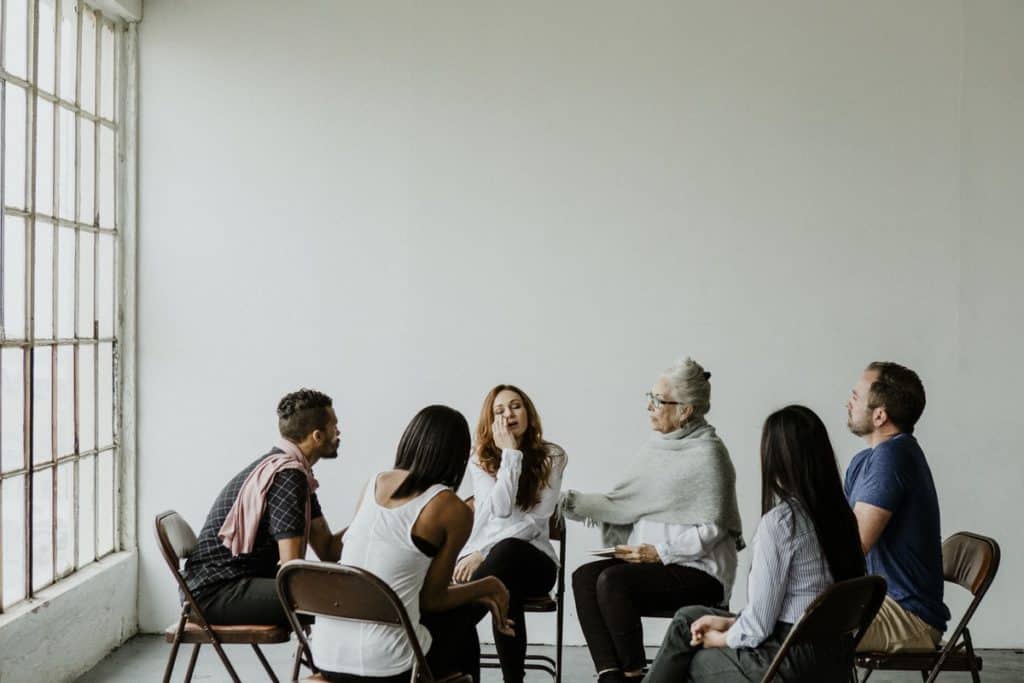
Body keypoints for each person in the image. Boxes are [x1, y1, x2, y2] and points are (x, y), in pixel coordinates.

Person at [645, 405, 867, 682]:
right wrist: (732, 622)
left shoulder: (782, 523)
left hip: (790, 660)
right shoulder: (841, 516)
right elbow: (785, 610)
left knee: (695, 658)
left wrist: (719, 639)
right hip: (833, 657)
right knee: (687, 619)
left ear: (776, 458)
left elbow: (759, 627)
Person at [565, 357, 744, 683]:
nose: (649, 407)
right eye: (648, 397)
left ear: (685, 410)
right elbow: (622, 503)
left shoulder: (710, 453)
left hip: (700, 572)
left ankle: (634, 674)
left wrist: (658, 553)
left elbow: (714, 529)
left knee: (613, 582)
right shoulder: (656, 448)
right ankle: (610, 676)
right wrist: (567, 503)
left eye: (658, 401)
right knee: (583, 578)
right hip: (653, 566)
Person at [310, 405, 514, 683]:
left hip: (326, 655)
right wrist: (490, 586)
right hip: (389, 665)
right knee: (461, 621)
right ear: (458, 454)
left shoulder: (375, 482)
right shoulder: (450, 508)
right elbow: (433, 599)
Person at [183, 388, 345, 625]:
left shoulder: (293, 472)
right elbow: (292, 569)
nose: (339, 431)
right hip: (215, 592)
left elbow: (328, 550)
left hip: (225, 585)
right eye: (334, 425)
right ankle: (328, 662)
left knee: (345, 595)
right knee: (341, 599)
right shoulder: (287, 476)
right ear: (317, 436)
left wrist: (373, 517)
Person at [452, 385, 568, 683]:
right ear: (490, 421)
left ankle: (452, 624)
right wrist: (508, 457)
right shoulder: (479, 458)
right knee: (503, 587)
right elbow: (499, 509)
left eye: (515, 406)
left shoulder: (552, 456)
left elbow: (535, 520)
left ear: (528, 412)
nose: (509, 415)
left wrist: (483, 552)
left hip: (534, 562)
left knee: (507, 553)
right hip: (494, 568)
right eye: (499, 411)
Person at [845, 362, 949, 652]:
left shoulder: (893, 458)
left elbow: (851, 549)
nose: (847, 403)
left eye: (855, 397)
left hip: (909, 616)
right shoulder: (865, 461)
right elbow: (836, 530)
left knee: (802, 631)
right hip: (880, 601)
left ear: (879, 415)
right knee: (793, 618)